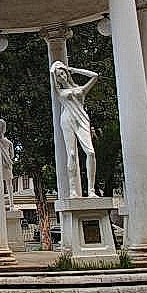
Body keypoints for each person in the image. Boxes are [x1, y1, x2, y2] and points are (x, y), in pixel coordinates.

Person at [50, 61, 98, 197]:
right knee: (71, 154)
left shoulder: (80, 89)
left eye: (63, 73)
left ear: (66, 73)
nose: (62, 77)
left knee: (91, 153)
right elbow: (52, 73)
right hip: (67, 120)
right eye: (59, 76)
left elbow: (95, 76)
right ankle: (72, 190)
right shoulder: (60, 91)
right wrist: (55, 70)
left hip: (82, 119)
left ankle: (91, 190)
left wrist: (73, 69)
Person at [0, 119, 15, 210]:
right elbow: (12, 156)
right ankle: (11, 204)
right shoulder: (9, 143)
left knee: (2, 183)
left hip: (1, 164)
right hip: (7, 164)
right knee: (9, 184)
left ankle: (7, 204)